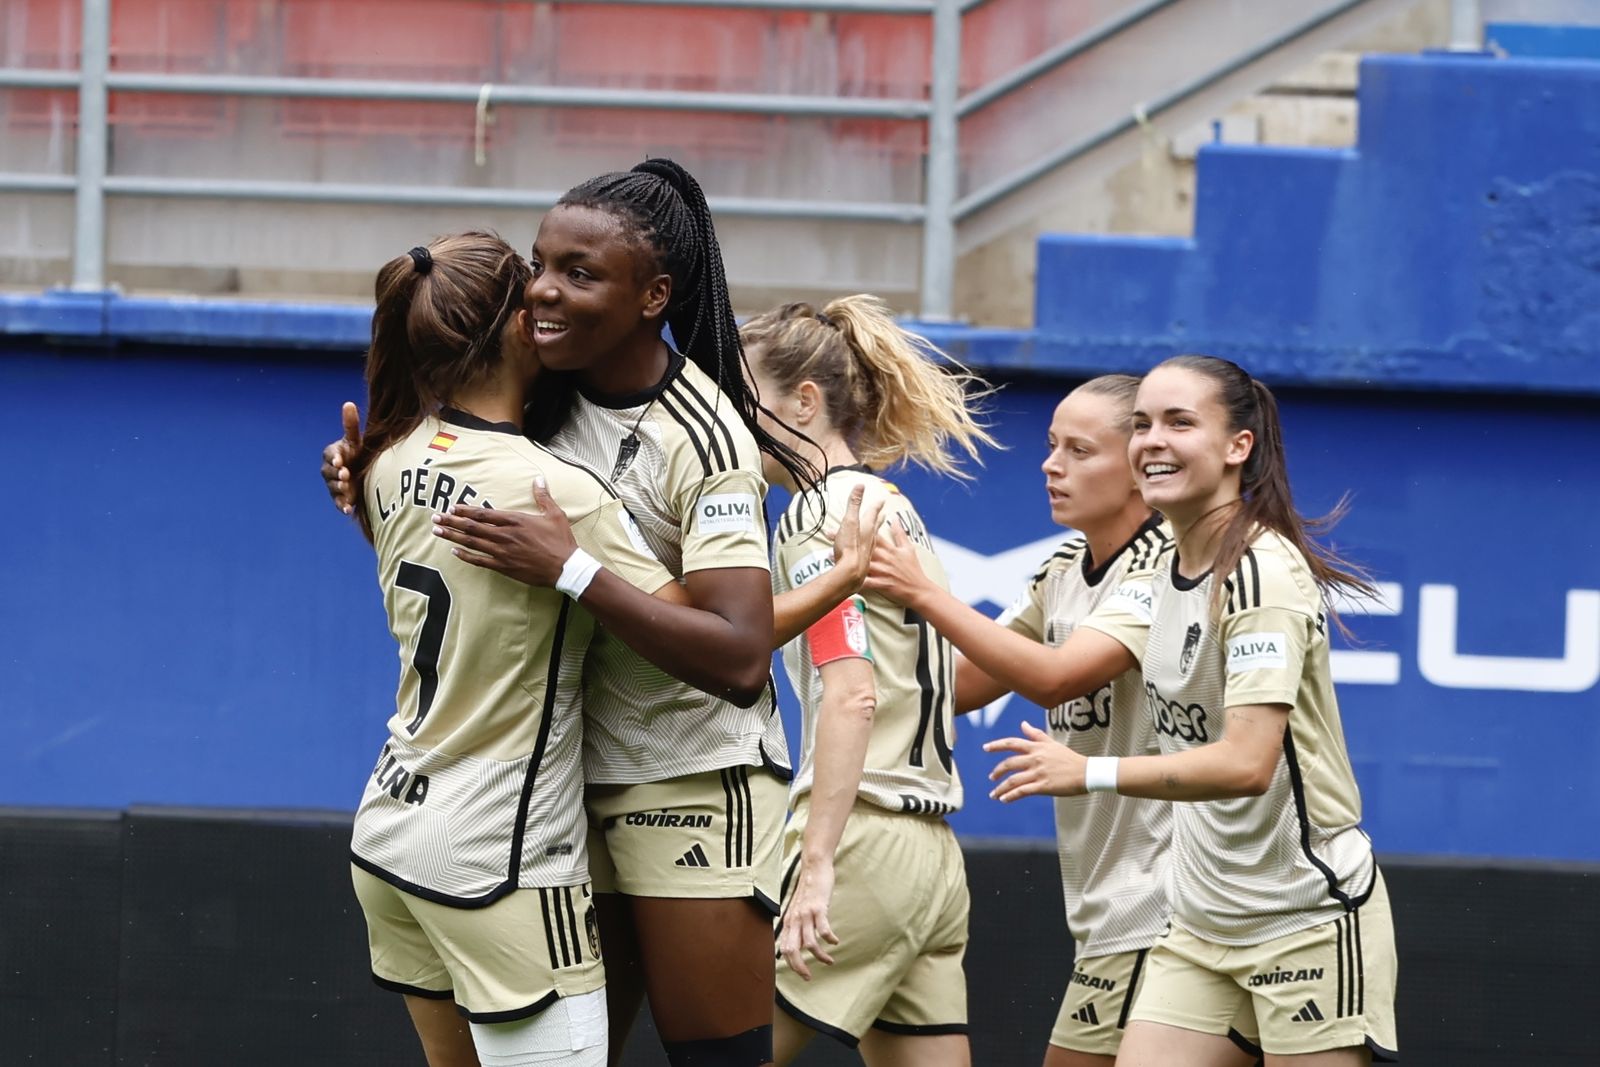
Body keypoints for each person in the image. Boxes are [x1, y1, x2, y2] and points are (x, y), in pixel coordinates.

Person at [329, 160, 866, 1067]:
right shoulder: (533, 393)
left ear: (654, 294)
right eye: (540, 263)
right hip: (552, 794)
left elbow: (739, 658)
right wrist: (367, 487)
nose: (541, 289)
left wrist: (575, 569)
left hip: (686, 780)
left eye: (579, 274)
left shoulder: (704, 434)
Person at [870, 356, 1397, 1066]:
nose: (1154, 440)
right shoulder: (1143, 570)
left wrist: (1086, 770)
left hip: (1296, 910)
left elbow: (1246, 762)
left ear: (1238, 446)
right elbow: (957, 684)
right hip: (1201, 923)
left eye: (1180, 422)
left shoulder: (1257, 571)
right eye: (1144, 423)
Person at [739, 296, 995, 1067]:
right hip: (933, 862)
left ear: (805, 403)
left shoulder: (821, 512)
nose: (731, 421)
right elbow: (931, 677)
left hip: (860, 840)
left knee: (725, 1054)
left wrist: (817, 860)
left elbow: (853, 690)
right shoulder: (893, 505)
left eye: (744, 399)